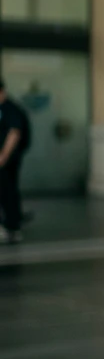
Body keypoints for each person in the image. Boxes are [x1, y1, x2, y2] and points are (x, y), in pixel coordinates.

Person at [0, 77, 31, 245]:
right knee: (6, 192)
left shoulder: (11, 109)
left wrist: (3, 156)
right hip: (5, 160)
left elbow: (14, 133)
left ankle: (13, 228)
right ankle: (10, 223)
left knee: (8, 192)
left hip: (8, 160)